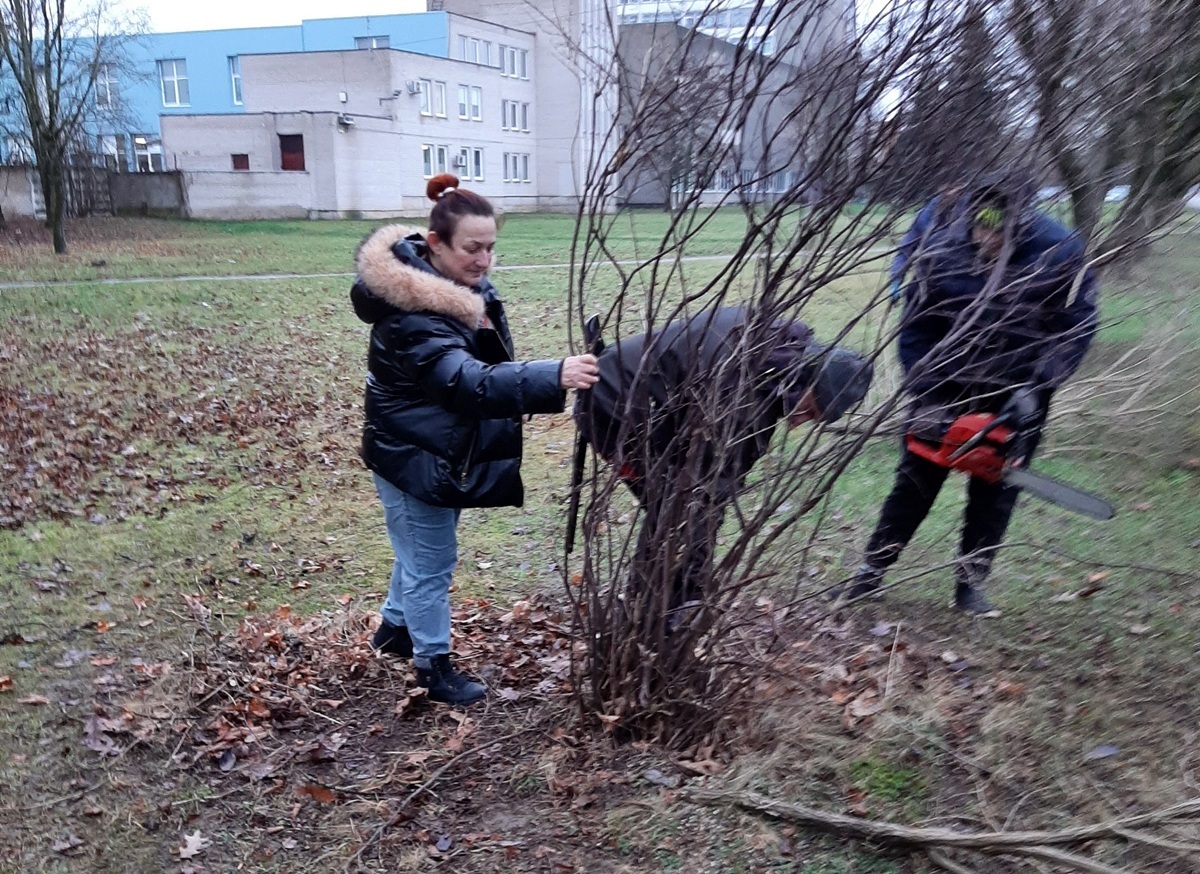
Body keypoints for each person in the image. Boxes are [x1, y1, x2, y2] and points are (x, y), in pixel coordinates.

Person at [351, 173, 599, 705]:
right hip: (412, 456)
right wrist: (551, 375)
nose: (484, 260)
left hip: (434, 448)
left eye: (490, 247)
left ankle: (395, 630)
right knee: (430, 561)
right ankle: (432, 668)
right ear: (435, 244)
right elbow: (465, 381)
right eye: (472, 248)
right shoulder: (412, 318)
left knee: (418, 550)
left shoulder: (457, 291)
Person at [837, 172, 1098, 615]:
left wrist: (1036, 387)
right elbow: (917, 326)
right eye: (979, 228)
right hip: (945, 383)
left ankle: (970, 584)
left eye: (997, 232)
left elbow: (1077, 325)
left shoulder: (1060, 251)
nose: (985, 240)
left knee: (995, 492)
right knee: (915, 481)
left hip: (1017, 386)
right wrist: (926, 391)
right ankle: (871, 570)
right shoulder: (944, 247)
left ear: (1022, 222)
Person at [576, 306, 873, 620]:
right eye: (810, 411)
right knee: (671, 511)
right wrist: (693, 594)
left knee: (674, 510)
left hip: (640, 395)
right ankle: (645, 616)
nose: (800, 423)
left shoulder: (775, 347)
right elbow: (705, 496)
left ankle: (654, 611)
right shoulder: (744, 397)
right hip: (613, 405)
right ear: (809, 382)